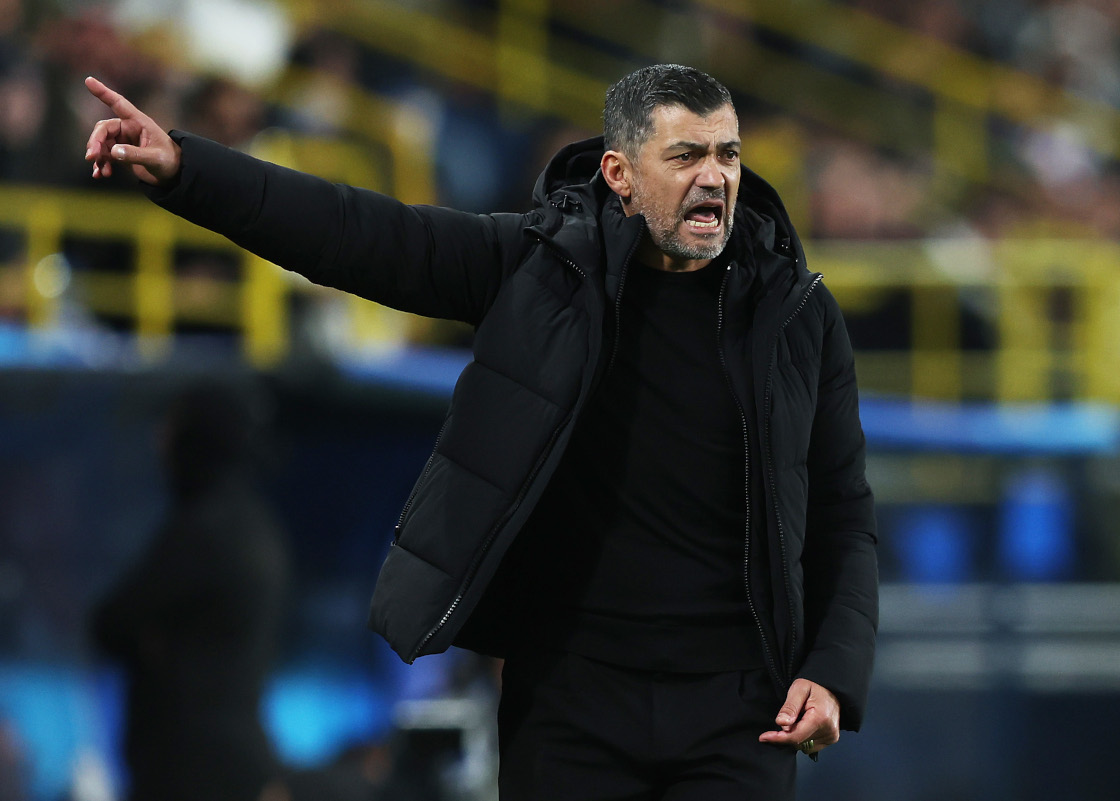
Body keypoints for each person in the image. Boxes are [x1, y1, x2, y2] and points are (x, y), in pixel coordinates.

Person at [83, 64, 879, 799]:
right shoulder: (536, 271)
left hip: (737, 710)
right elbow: (360, 235)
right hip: (572, 700)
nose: (716, 177)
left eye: (728, 154)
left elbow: (844, 515)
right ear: (620, 174)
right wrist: (190, 170)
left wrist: (834, 670)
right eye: (687, 156)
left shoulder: (800, 318)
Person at [90, 381, 291, 801]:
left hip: (191, 771)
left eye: (170, 432)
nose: (158, 445)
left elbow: (112, 622)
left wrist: (151, 641)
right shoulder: (256, 527)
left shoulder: (204, 530)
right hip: (236, 762)